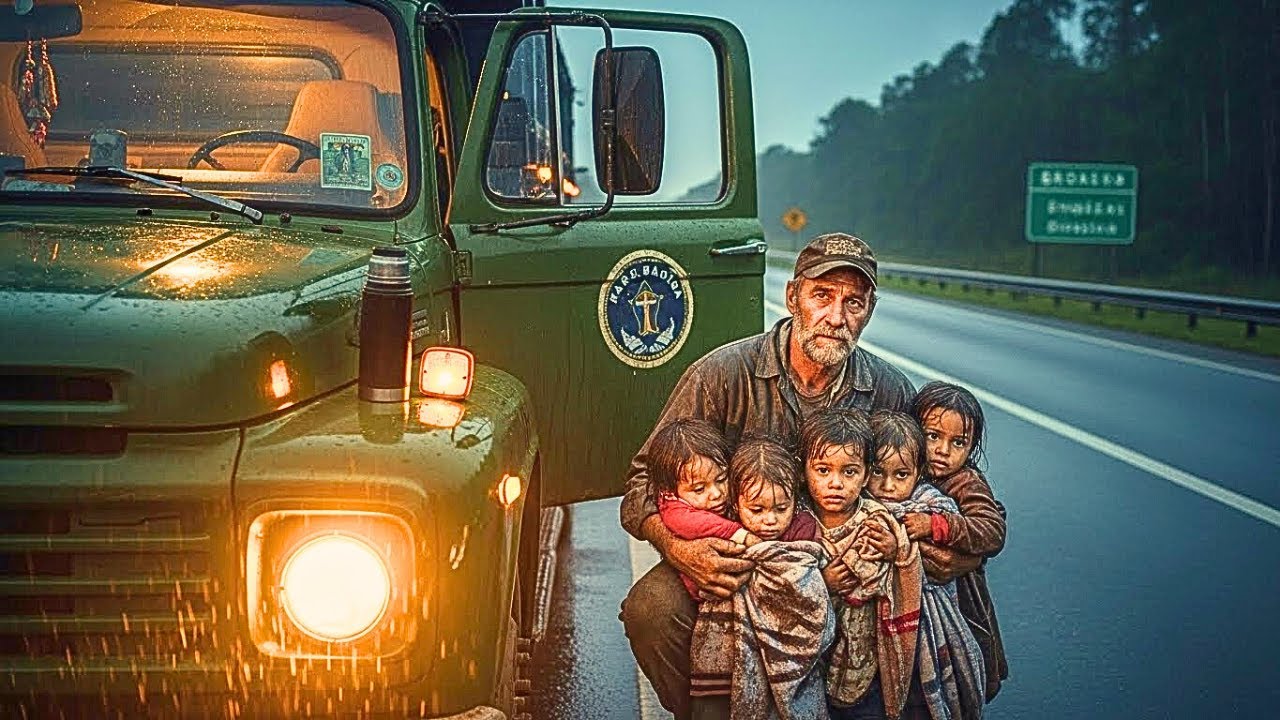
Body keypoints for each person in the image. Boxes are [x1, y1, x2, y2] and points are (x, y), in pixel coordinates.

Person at [619, 233, 918, 720]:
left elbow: (938, 485)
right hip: (740, 560)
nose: (836, 317)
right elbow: (641, 484)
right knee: (651, 610)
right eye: (822, 295)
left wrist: (937, 539)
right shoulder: (721, 374)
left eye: (854, 303)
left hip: (844, 564)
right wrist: (679, 549)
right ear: (793, 296)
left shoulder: (889, 389)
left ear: (869, 311)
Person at [688, 437, 827, 719]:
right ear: (736, 503)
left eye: (781, 508)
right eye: (757, 510)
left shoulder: (802, 529)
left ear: (795, 501)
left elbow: (807, 580)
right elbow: (697, 586)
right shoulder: (727, 529)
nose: (770, 520)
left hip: (789, 638)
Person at [801, 409, 921, 720]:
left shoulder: (876, 521)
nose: (835, 483)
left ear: (866, 475)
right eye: (823, 470)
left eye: (850, 472)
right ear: (804, 471)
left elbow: (900, 566)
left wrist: (896, 551)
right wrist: (820, 582)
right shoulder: (795, 520)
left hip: (863, 659)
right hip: (808, 656)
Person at [868, 410, 986, 720]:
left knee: (916, 696)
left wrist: (900, 549)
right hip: (868, 630)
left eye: (901, 475)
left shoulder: (932, 506)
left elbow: (962, 544)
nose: (888, 486)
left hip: (922, 623)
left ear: (918, 472)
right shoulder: (856, 504)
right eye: (877, 472)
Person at [905, 383, 1009, 703]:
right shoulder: (908, 469)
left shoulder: (965, 482)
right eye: (932, 436)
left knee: (962, 665)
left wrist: (936, 525)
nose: (943, 450)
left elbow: (991, 530)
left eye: (958, 442)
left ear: (971, 447)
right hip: (915, 598)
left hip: (962, 598)